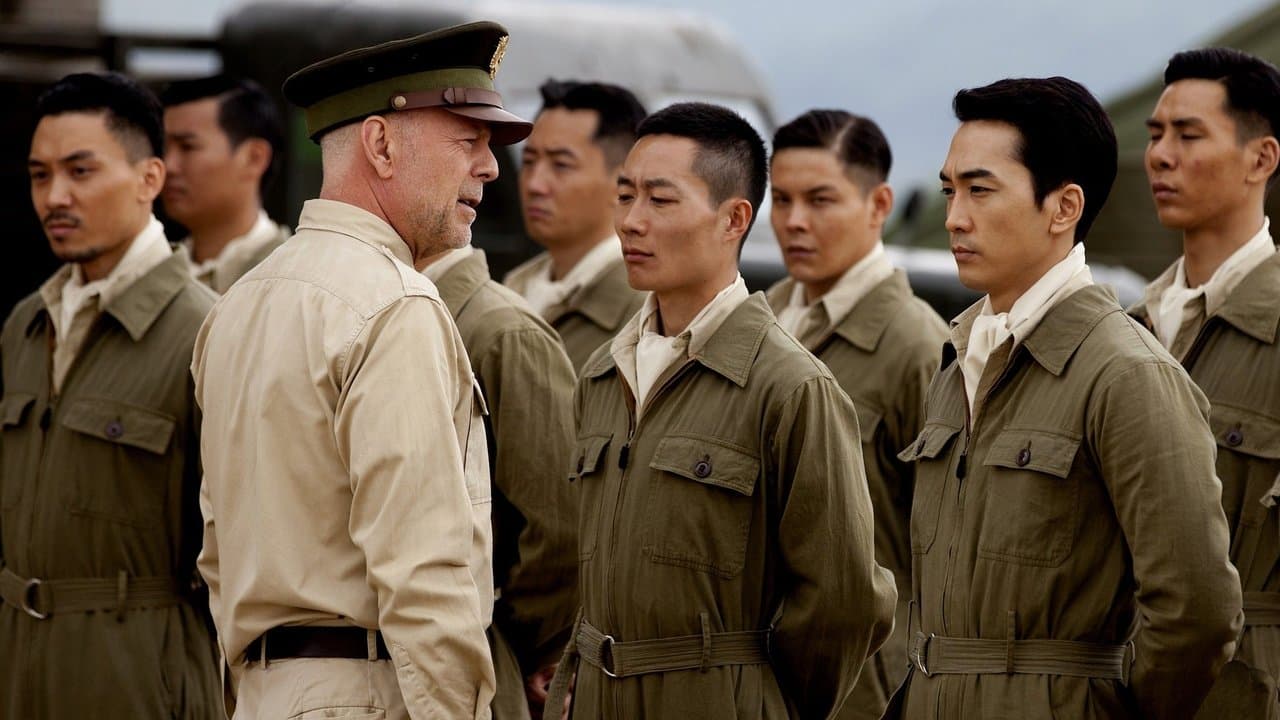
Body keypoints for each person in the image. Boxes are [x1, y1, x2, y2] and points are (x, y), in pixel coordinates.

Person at [190, 22, 532, 719]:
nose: (491, 167)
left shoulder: (238, 304)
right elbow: (427, 575)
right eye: (468, 139)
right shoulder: (395, 305)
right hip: (371, 693)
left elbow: (218, 551)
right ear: (380, 144)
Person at [889, 76, 1241, 720]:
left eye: (980, 189)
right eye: (949, 190)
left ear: (1062, 207)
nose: (953, 217)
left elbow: (1198, 610)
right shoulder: (959, 365)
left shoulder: (1124, 373)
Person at [546, 102, 896, 719]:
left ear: (734, 219)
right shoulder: (603, 374)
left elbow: (843, 600)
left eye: (660, 200)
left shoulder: (789, 386)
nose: (630, 221)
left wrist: (757, 700)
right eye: (625, 196)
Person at [1, 71, 220, 718]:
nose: (54, 197)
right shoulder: (25, 324)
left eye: (80, 171)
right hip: (19, 664)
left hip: (140, 674)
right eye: (40, 175)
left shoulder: (206, 328)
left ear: (150, 179)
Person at [765, 109, 947, 720]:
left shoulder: (915, 346)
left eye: (820, 200)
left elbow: (943, 542)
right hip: (756, 673)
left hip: (862, 684)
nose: (794, 222)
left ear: (879, 204)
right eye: (782, 199)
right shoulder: (759, 323)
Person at [1130, 48, 1280, 719]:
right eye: (1155, 135)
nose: (1160, 156)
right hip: (1117, 683)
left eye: (1189, 136)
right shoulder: (1125, 330)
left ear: (1261, 159)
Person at [422, 244, 578, 720]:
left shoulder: (503, 333)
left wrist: (509, 642)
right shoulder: (400, 314)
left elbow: (559, 528)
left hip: (485, 661)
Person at [505, 80, 646, 371]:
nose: (535, 184)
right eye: (529, 161)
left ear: (623, 182)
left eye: (561, 165)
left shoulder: (646, 312)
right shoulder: (512, 289)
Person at [161, 75, 289, 293]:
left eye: (187, 147)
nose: (168, 165)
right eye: (163, 148)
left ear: (254, 158)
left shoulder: (292, 277)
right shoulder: (154, 272)